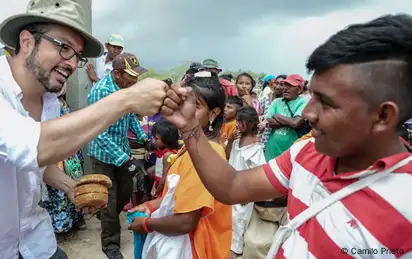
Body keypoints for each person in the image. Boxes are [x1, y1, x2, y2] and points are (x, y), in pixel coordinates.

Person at [161, 14, 412, 259]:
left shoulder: (405, 210)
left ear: (383, 116)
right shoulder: (308, 151)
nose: (308, 113)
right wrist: (188, 126)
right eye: (312, 95)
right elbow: (231, 186)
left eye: (326, 103)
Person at [0, 0, 167, 258]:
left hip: (35, 241)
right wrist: (126, 100)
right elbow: (32, 147)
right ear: (27, 41)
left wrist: (69, 186)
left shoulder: (49, 101)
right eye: (64, 47)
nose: (72, 63)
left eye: (77, 55)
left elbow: (41, 164)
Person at [129, 72, 232, 259]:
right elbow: (180, 196)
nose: (183, 111)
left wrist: (146, 224)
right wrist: (151, 205)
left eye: (195, 106)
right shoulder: (190, 148)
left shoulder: (206, 155)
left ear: (214, 113)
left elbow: (186, 222)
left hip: (194, 248)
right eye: (180, 104)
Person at [87, 52, 150, 259]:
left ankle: (105, 214)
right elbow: (98, 132)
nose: (135, 80)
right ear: (116, 74)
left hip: (122, 152)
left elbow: (130, 116)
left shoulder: (125, 90)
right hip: (104, 156)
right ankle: (110, 245)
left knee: (124, 194)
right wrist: (124, 159)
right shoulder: (101, 92)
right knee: (110, 202)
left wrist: (143, 137)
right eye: (131, 76)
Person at [43, 84, 86, 235]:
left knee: (69, 186)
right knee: (60, 188)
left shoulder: (61, 103)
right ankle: (64, 223)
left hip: (68, 153)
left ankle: (70, 221)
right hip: (59, 154)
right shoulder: (51, 105)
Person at [228, 106, 266, 259]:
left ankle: (235, 253)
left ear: (249, 124)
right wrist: (230, 141)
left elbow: (258, 176)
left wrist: (247, 196)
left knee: (238, 227)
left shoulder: (256, 150)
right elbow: (227, 156)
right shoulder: (237, 143)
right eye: (237, 121)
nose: (237, 124)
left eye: (240, 122)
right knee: (231, 226)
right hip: (231, 192)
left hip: (243, 198)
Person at [263, 74, 308, 161]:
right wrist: (289, 122)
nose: (285, 88)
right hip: (271, 153)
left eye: (290, 86)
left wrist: (276, 115)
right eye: (285, 85)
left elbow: (295, 123)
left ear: (299, 89)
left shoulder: (303, 102)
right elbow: (269, 122)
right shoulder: (276, 102)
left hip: (291, 155)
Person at [147, 119, 179, 198]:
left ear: (166, 139)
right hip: (158, 184)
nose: (153, 141)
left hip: (163, 188)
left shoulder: (167, 155)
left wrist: (156, 192)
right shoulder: (161, 150)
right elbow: (159, 172)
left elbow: (164, 178)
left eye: (156, 139)